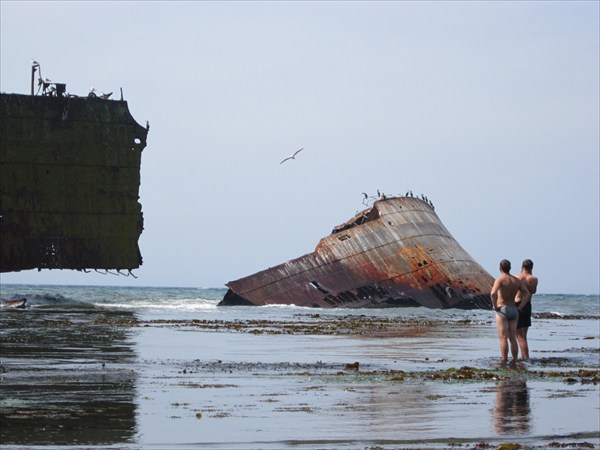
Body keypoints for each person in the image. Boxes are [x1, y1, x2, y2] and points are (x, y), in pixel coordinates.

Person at [490, 259, 530, 362]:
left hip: (502, 309)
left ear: (500, 268)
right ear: (510, 268)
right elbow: (527, 294)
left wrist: (495, 306)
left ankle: (504, 360)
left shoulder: (500, 280)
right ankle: (515, 359)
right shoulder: (516, 280)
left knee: (503, 337)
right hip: (513, 309)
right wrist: (520, 307)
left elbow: (493, 294)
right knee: (513, 338)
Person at [515, 259, 538, 360]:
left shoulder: (517, 277)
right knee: (524, 336)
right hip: (528, 306)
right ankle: (524, 356)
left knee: (520, 336)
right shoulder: (534, 279)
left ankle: (525, 358)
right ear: (531, 268)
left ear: (522, 267)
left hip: (518, 304)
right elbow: (533, 291)